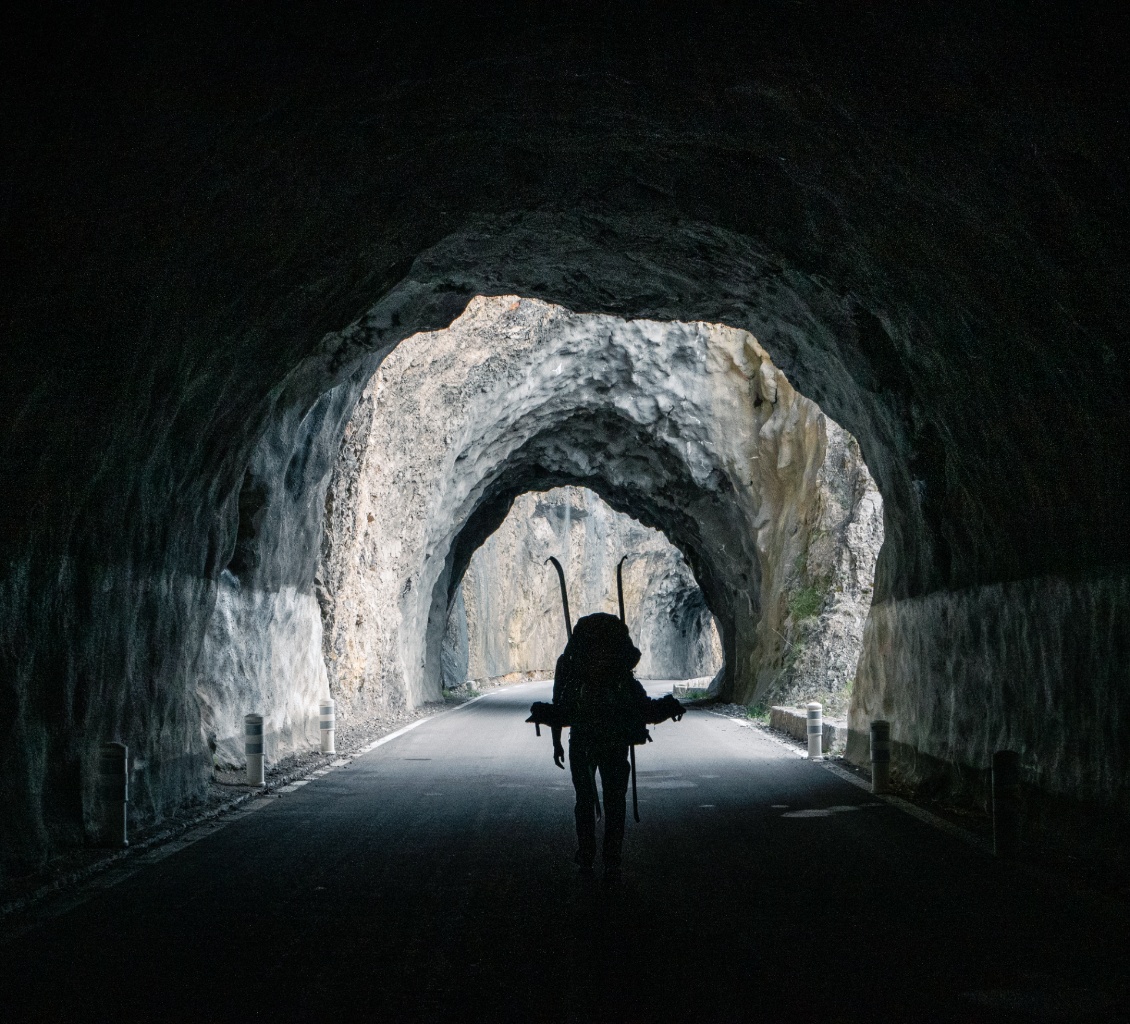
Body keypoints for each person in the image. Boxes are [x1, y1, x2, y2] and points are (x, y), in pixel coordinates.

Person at [545, 612, 685, 882]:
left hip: (582, 742)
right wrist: (670, 707)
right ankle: (612, 860)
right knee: (615, 801)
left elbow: (559, 707)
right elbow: (645, 709)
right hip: (615, 742)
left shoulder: (573, 670)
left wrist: (556, 743)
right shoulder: (620, 674)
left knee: (584, 801)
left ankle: (586, 856)